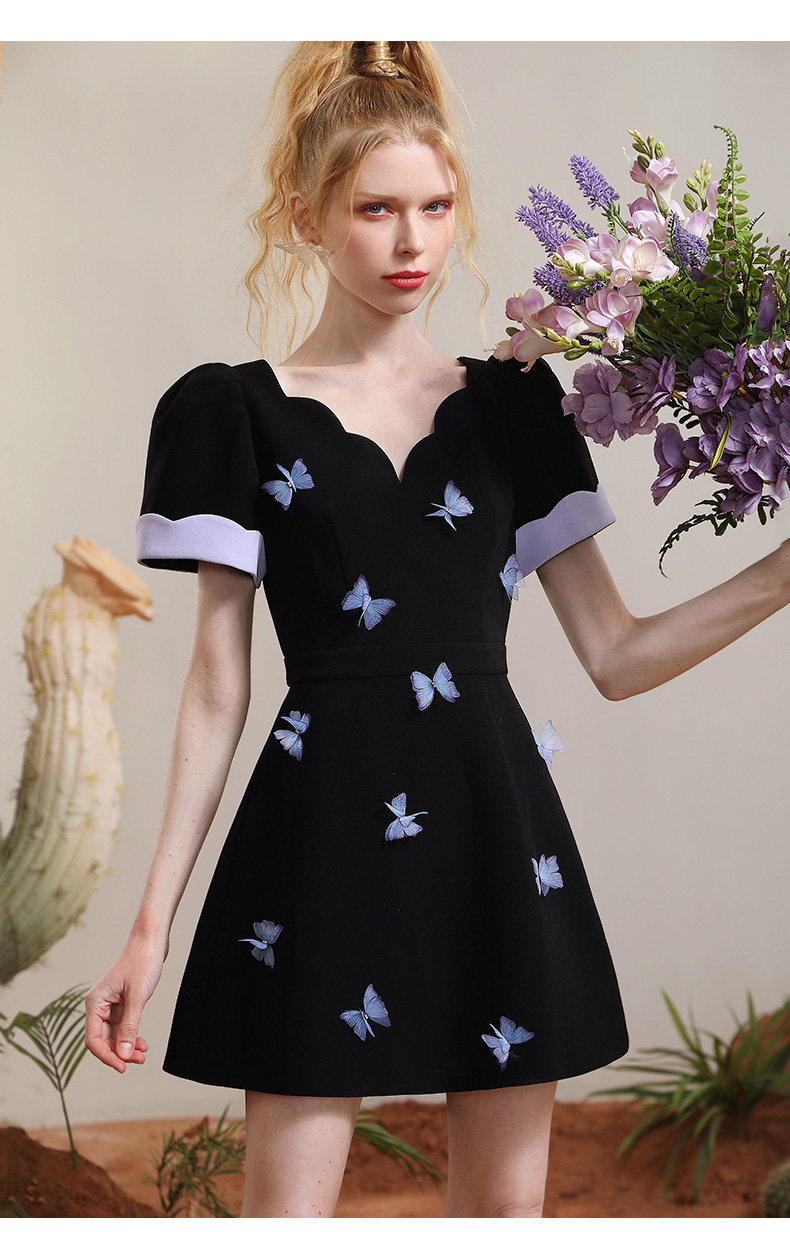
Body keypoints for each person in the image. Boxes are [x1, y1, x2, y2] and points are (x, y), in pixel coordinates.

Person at [84, 40, 790, 1219]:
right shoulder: (231, 411)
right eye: (375, 209)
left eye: (435, 206)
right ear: (305, 216)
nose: (411, 241)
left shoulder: (514, 404)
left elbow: (615, 655)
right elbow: (217, 685)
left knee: (503, 1221)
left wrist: (779, 575)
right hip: (312, 843)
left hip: (491, 838)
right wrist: (149, 923)